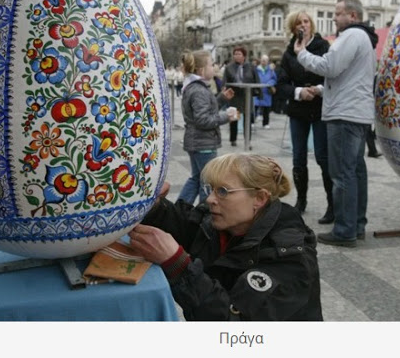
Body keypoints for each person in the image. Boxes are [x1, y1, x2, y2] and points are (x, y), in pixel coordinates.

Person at [128, 154, 323, 321]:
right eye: (211, 189)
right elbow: (185, 224)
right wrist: (153, 206)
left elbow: (236, 328)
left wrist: (177, 265)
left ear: (259, 199)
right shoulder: (222, 223)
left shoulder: (289, 256)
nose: (211, 199)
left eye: (223, 191)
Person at [294, 0, 378, 247]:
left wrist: (302, 53)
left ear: (352, 16)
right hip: (356, 112)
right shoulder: (364, 38)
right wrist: (323, 90)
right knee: (355, 172)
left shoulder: (352, 35)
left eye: (338, 13)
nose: (334, 17)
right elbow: (345, 76)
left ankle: (344, 230)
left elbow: (329, 66)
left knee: (342, 174)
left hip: (344, 114)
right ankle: (357, 224)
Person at [276, 10, 334, 222]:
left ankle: (332, 204)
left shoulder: (323, 46)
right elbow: (281, 84)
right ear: (293, 28)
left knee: (323, 157)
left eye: (306, 21)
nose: (303, 25)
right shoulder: (289, 52)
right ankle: (301, 200)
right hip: (298, 110)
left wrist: (317, 89)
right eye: (299, 23)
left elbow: (332, 75)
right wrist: (299, 92)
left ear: (312, 25)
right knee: (298, 157)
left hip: (320, 109)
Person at [177, 50, 237, 205]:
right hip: (203, 143)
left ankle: (180, 210)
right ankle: (205, 215)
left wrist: (222, 99)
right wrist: (227, 117)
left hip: (197, 141)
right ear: (201, 70)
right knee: (208, 182)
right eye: (211, 64)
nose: (214, 67)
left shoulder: (195, 87)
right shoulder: (199, 90)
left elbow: (205, 110)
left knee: (197, 177)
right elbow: (203, 119)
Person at [223, 47, 260, 148]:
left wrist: (258, 93)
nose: (237, 56)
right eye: (235, 54)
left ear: (244, 56)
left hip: (247, 96)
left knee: (247, 119)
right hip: (235, 96)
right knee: (234, 118)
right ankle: (233, 139)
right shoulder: (229, 67)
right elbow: (225, 81)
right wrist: (224, 92)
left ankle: (248, 141)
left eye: (239, 54)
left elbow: (257, 80)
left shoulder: (251, 67)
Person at [254, 55, 277, 129]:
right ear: (260, 60)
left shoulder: (270, 70)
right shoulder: (256, 69)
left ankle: (265, 123)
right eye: (263, 60)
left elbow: (274, 79)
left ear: (267, 61)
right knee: (255, 106)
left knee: (266, 109)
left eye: (265, 60)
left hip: (267, 90)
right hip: (258, 90)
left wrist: (270, 83)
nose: (264, 61)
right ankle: (252, 121)